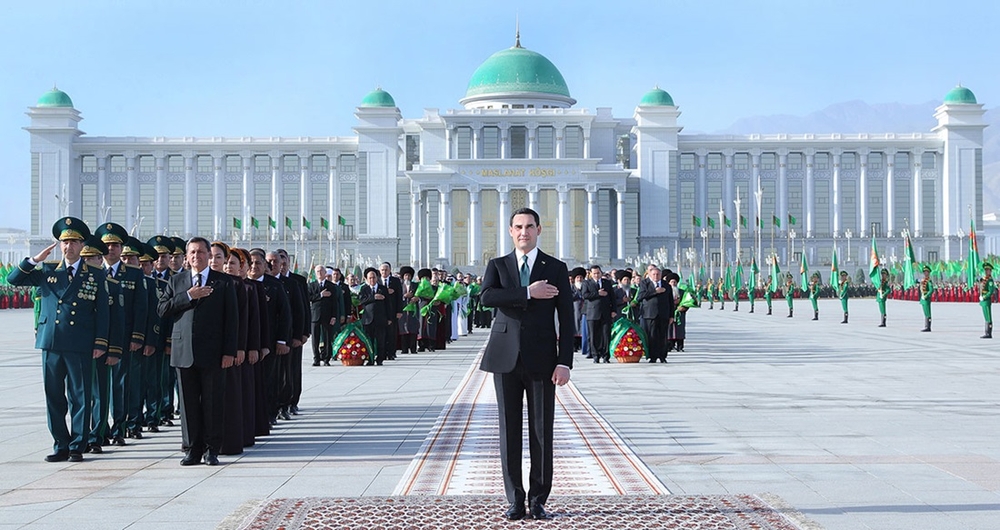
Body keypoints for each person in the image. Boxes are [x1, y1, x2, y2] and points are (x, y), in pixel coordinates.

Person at [479, 208, 574, 521]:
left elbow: (567, 318)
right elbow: (487, 298)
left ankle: (538, 499)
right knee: (509, 431)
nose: (524, 232)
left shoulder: (556, 268)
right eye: (518, 227)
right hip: (505, 358)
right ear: (510, 231)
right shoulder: (498, 265)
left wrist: (565, 362)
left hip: (543, 360)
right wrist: (527, 293)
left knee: (541, 431)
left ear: (539, 230)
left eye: (529, 226)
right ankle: (515, 499)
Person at [8, 217, 110, 462]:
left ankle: (77, 445)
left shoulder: (95, 275)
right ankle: (60, 444)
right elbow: (13, 280)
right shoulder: (47, 271)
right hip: (51, 342)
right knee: (53, 395)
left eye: (74, 242)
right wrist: (34, 260)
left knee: (80, 396)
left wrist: (100, 343)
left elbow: (103, 314)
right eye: (64, 242)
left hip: (80, 343)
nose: (69, 246)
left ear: (82, 245)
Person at [157, 237, 239, 466]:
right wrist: (189, 296)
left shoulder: (223, 282)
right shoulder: (177, 281)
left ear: (208, 255)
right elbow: (163, 309)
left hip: (213, 351)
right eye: (191, 252)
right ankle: (193, 448)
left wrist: (229, 352)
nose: (196, 256)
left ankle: (212, 448)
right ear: (186, 256)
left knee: (213, 401)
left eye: (201, 252)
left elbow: (232, 320)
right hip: (183, 351)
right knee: (188, 403)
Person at [637, 265, 674, 363]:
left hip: (663, 314)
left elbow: (671, 301)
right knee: (652, 336)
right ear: (649, 274)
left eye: (658, 274)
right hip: (650, 314)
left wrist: (671, 316)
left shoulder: (666, 285)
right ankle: (653, 356)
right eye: (654, 274)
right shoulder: (645, 283)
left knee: (663, 336)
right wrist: (654, 291)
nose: (656, 276)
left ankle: (662, 356)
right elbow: (640, 297)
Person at [308, 265, 341, 366]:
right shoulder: (311, 285)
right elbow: (309, 297)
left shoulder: (331, 286)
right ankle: (316, 359)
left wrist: (334, 316)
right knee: (315, 339)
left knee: (327, 337)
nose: (319, 273)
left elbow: (335, 302)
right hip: (315, 315)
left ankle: (327, 358)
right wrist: (320, 295)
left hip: (327, 315)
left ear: (325, 273)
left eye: (321, 271)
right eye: (317, 271)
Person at [581, 265, 614, 364]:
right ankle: (595, 355)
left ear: (601, 273)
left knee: (606, 335)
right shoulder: (587, 283)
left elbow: (612, 297)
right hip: (592, 313)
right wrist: (597, 293)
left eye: (598, 273)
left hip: (605, 312)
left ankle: (606, 355)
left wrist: (614, 310)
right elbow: (585, 295)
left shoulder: (607, 283)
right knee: (593, 335)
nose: (596, 275)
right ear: (591, 274)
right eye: (594, 273)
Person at [358, 267, 389, 366]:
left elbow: (389, 304)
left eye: (374, 277)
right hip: (368, 319)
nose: (372, 280)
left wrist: (389, 318)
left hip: (380, 319)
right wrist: (373, 297)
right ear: (366, 279)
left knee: (381, 340)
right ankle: (370, 359)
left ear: (377, 278)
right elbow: (362, 301)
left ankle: (380, 359)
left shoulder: (382, 289)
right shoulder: (364, 289)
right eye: (370, 278)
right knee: (369, 340)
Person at [979, 263, 995, 339]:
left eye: (987, 270)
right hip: (983, 301)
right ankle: (986, 332)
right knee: (985, 317)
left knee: (988, 317)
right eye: (985, 270)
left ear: (990, 271)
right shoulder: (984, 279)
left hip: (987, 300)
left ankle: (989, 333)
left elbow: (991, 291)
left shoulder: (990, 280)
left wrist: (984, 297)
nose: (986, 271)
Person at [919, 265, 934, 332]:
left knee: (928, 313)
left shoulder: (929, 281)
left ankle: (928, 327)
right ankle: (926, 325)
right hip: (923, 298)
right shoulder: (923, 280)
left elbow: (931, 290)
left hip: (926, 299)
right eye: (924, 272)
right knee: (925, 313)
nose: (925, 273)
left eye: (926, 272)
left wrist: (927, 295)